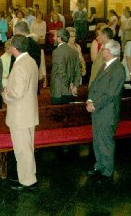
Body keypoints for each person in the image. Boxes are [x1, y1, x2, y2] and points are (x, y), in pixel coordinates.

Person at [2, 34, 39, 192]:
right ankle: (29, 174)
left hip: (20, 114)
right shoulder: (31, 61)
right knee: (28, 147)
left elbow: (16, 93)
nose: (9, 48)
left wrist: (5, 94)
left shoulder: (19, 65)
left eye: (11, 46)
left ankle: (27, 181)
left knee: (22, 149)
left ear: (15, 48)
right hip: (29, 112)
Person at [86, 40, 125, 183]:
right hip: (97, 110)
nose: (102, 51)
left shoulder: (118, 69)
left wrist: (94, 105)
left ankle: (107, 172)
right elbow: (94, 84)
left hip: (107, 112)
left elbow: (111, 94)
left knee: (106, 142)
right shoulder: (105, 65)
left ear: (109, 52)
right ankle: (99, 166)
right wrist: (89, 100)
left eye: (103, 49)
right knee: (98, 141)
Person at [50, 28, 81, 104]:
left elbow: (61, 72)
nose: (53, 38)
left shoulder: (57, 52)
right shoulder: (74, 51)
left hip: (59, 92)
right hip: (71, 91)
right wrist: (75, 86)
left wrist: (68, 85)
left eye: (55, 36)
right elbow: (78, 71)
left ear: (59, 38)